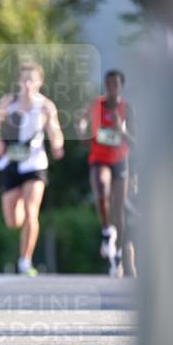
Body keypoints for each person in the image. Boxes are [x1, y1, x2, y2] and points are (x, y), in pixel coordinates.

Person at [0, 62, 64, 276]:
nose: (28, 84)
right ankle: (18, 201)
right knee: (13, 221)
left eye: (32, 80)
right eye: (24, 79)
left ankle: (25, 260)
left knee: (32, 212)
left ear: (40, 82)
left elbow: (55, 130)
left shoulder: (46, 106)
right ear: (19, 82)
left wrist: (57, 145)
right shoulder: (8, 102)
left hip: (35, 164)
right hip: (11, 163)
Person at [75, 70, 134, 277]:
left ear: (121, 86)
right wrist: (81, 128)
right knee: (101, 189)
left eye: (115, 84)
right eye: (108, 84)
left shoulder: (127, 109)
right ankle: (107, 231)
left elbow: (136, 142)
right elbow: (83, 137)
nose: (111, 88)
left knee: (119, 209)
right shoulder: (94, 105)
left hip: (120, 161)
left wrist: (122, 130)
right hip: (99, 158)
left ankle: (117, 254)